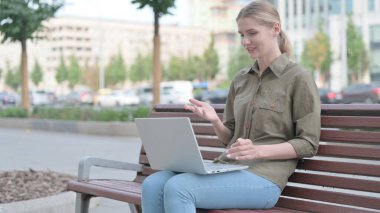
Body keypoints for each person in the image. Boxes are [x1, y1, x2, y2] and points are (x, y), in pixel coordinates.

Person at [141, 1, 321, 212]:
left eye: (252, 33)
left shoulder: (298, 78)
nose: (245, 41)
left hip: (264, 178)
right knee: (153, 184)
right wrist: (215, 120)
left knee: (180, 188)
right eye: (241, 35)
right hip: (227, 168)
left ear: (275, 29)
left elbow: (308, 143)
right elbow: (230, 139)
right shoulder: (241, 79)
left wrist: (258, 151)